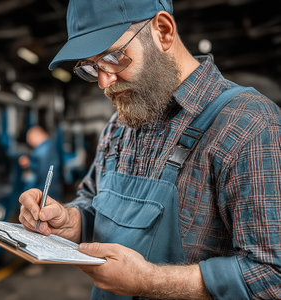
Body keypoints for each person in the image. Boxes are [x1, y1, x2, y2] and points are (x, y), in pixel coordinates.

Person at [18, 0, 281, 299]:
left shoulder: (248, 125)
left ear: (164, 31)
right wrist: (70, 221)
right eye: (91, 68)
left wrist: (150, 280)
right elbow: (92, 202)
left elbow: (272, 277)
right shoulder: (119, 126)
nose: (104, 82)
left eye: (114, 57)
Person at [18, 125, 63, 201]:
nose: (29, 142)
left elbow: (43, 172)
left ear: (38, 135)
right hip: (51, 188)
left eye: (29, 138)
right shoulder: (48, 146)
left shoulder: (44, 150)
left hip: (46, 190)